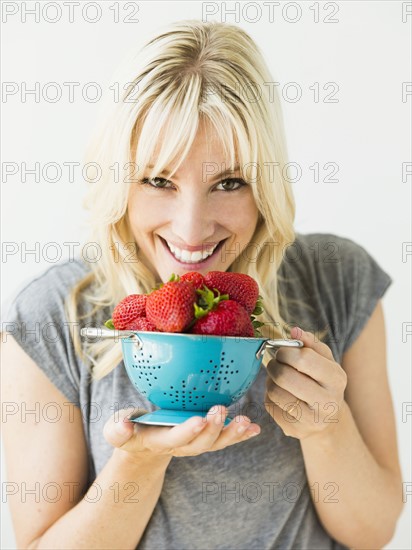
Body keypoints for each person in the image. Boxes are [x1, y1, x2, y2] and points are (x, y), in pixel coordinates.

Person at [2, 19, 403, 550]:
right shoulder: (50, 316)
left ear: (266, 185)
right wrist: (138, 464)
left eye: (230, 182)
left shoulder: (337, 280)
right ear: (119, 180)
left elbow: (374, 531)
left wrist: (326, 429)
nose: (192, 229)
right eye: (158, 180)